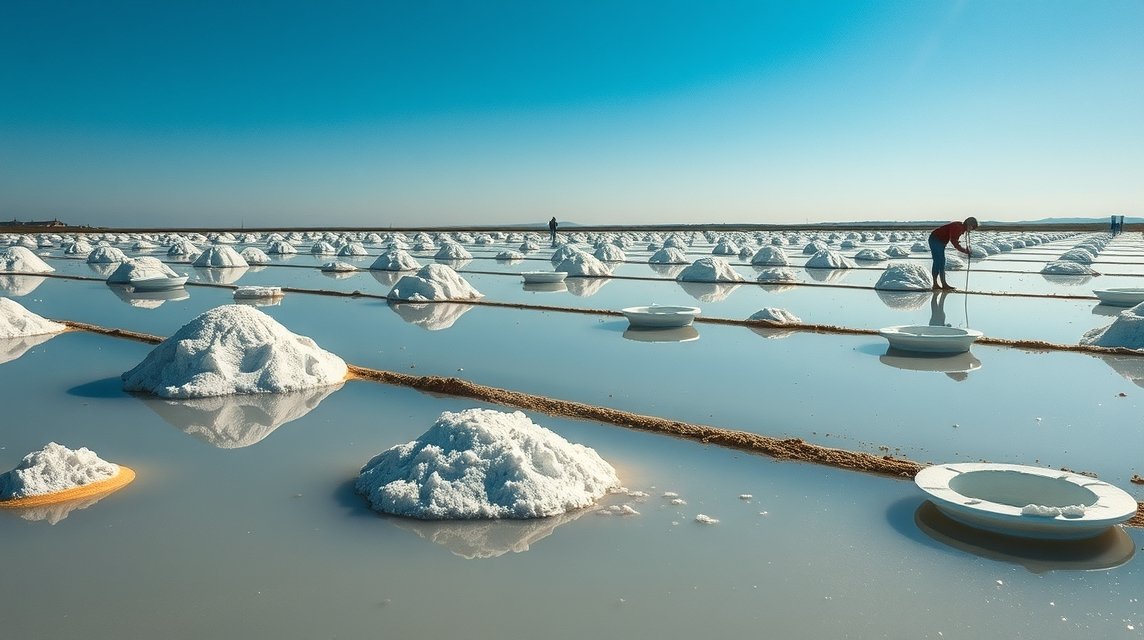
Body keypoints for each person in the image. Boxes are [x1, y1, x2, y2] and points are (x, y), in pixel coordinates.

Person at [929, 217, 978, 290]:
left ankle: (937, 284)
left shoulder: (961, 227)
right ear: (968, 224)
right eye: (972, 227)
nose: (971, 229)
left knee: (938, 261)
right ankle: (942, 284)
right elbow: (954, 241)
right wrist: (964, 251)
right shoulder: (958, 227)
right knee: (939, 261)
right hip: (935, 239)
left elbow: (955, 239)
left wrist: (963, 248)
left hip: (940, 242)